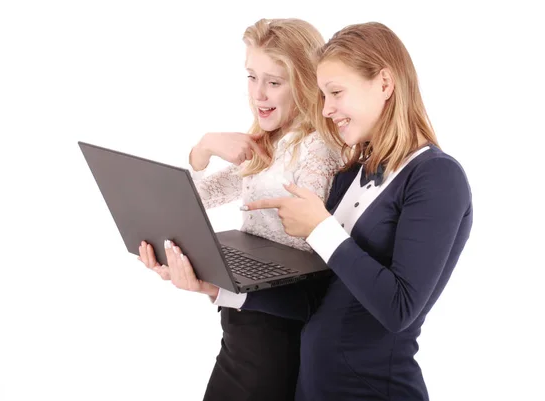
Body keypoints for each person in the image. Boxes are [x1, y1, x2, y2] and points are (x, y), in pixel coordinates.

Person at [164, 22, 473, 400]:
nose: (326, 110)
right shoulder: (355, 173)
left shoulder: (436, 176)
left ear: (385, 84)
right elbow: (316, 296)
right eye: (323, 95)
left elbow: (399, 308)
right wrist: (215, 288)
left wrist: (321, 228)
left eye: (336, 93)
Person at [137, 18, 342, 401]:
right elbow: (195, 198)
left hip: (278, 330)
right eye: (251, 77)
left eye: (274, 82)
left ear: (305, 83)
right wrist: (203, 149)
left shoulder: (318, 148)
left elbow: (308, 239)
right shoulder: (270, 142)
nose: (258, 94)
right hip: (243, 322)